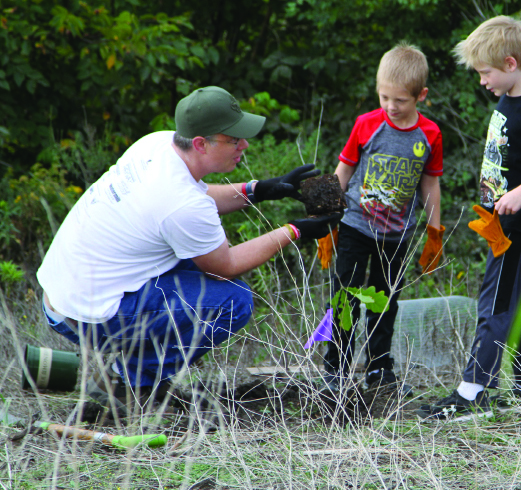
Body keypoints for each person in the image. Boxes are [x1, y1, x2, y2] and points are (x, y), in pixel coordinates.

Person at [36, 86, 340, 416]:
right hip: (85, 314)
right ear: (200, 143)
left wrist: (259, 190)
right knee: (232, 300)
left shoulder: (159, 144)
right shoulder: (180, 204)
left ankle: (134, 375)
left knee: (194, 270)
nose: (244, 145)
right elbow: (227, 264)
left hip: (66, 292)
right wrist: (295, 230)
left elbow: (199, 193)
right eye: (234, 139)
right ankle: (132, 386)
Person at [421, 16, 521, 420]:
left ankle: (472, 391)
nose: (482, 81)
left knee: (494, 303)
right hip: (502, 226)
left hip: (518, 227)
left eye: (485, 72)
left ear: (511, 64)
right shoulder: (508, 100)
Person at [320, 43, 444, 396]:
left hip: (396, 236)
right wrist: (327, 220)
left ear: (421, 95)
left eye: (400, 100)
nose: (391, 106)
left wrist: (434, 232)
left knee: (384, 304)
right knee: (343, 298)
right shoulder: (367, 125)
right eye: (384, 96)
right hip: (356, 225)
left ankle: (379, 371)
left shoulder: (429, 135)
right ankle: (335, 368)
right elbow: (343, 171)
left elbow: (430, 183)